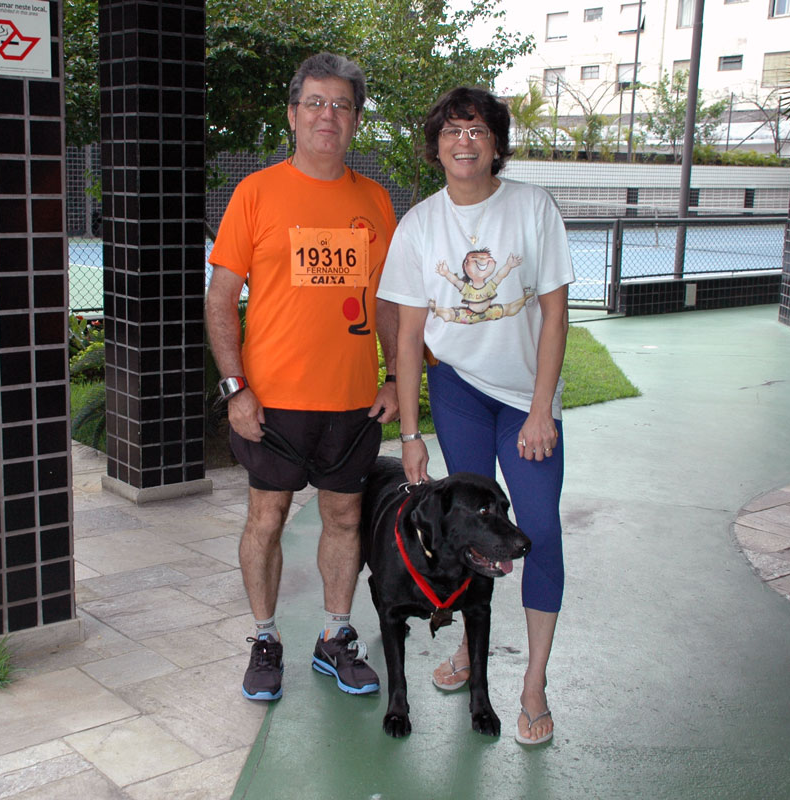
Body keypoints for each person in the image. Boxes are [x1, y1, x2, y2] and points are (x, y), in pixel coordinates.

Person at [376, 86, 573, 746]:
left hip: (524, 398)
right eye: (451, 130)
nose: (464, 140)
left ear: (495, 144)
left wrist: (541, 410)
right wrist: (409, 433)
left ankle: (532, 682)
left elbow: (553, 312)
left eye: (477, 129)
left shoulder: (531, 207)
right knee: (467, 533)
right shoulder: (419, 224)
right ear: (435, 145)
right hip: (456, 388)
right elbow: (406, 334)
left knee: (536, 531)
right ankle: (467, 649)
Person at [206, 53, 399, 702]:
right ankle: (265, 638)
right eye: (315, 103)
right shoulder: (256, 192)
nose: (327, 115)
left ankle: (335, 637)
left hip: (351, 404)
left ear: (355, 121)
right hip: (272, 403)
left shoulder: (374, 201)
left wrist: (397, 378)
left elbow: (391, 303)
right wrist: (236, 387)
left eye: (341, 105)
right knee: (267, 517)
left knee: (344, 519)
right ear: (292, 115)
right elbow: (220, 295)